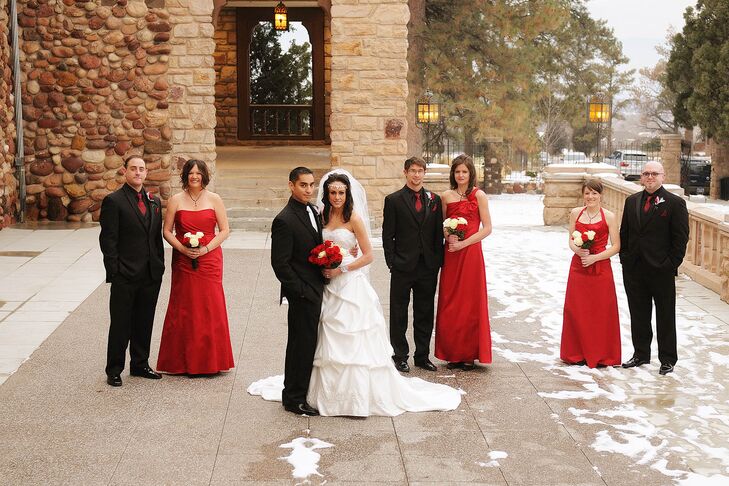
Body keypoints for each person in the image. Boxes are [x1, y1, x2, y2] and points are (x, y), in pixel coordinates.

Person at [249, 169, 461, 416]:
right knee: (316, 340)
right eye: (332, 192)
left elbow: (369, 254)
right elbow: (308, 249)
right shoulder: (319, 214)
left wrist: (343, 268)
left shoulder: (353, 218)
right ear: (325, 195)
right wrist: (324, 265)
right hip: (323, 287)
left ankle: (354, 396)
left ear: (347, 194)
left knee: (352, 338)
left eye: (341, 192)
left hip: (349, 284)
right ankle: (308, 392)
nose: (337, 196)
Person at [156, 159, 234, 375]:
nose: (194, 176)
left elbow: (225, 230)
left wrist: (206, 249)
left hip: (209, 259)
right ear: (185, 176)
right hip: (183, 260)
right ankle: (180, 362)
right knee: (184, 306)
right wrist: (182, 248)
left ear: (204, 176)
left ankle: (211, 361)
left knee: (210, 305)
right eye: (191, 173)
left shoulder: (214, 199)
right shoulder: (175, 200)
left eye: (199, 173)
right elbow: (167, 231)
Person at [99, 156, 165, 387]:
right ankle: (114, 369)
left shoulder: (154, 201)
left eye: (141, 169)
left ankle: (140, 364)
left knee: (144, 321)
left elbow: (156, 238)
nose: (138, 173)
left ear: (146, 173)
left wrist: (159, 266)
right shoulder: (113, 201)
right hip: (125, 275)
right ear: (124, 171)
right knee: (120, 324)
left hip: (150, 274)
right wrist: (115, 271)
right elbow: (108, 240)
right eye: (133, 169)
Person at [620, 161, 689, 375]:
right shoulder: (631, 202)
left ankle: (667, 359)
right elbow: (626, 233)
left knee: (665, 316)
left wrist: (670, 265)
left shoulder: (674, 203)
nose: (650, 177)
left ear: (663, 176)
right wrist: (625, 260)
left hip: (662, 270)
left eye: (654, 173)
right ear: (641, 177)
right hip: (635, 269)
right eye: (646, 173)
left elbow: (681, 239)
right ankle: (640, 354)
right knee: (639, 314)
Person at [270, 167, 324, 416]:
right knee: (300, 346)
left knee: (307, 343)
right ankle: (293, 398)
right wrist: (302, 291)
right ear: (291, 185)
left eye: (312, 185)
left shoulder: (313, 210)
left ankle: (298, 391)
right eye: (303, 185)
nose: (309, 190)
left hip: (316, 288)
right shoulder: (284, 219)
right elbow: (280, 264)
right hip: (302, 294)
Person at [382, 157, 444, 373]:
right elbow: (387, 235)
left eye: (420, 171)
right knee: (398, 312)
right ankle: (400, 356)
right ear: (405, 172)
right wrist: (392, 262)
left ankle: (422, 356)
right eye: (413, 171)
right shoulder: (393, 200)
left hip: (427, 266)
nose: (417, 175)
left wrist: (437, 262)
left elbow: (437, 235)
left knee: (424, 312)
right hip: (402, 265)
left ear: (424, 173)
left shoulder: (434, 200)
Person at [435, 155, 492, 370]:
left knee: (469, 301)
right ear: (453, 174)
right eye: (457, 172)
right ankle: (452, 352)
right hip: (451, 253)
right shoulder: (446, 196)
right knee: (450, 300)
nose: (461, 175)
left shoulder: (479, 195)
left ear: (471, 174)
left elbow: (487, 228)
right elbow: (440, 225)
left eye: (464, 172)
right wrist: (448, 236)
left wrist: (464, 243)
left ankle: (468, 353)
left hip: (470, 254)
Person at [561, 178, 621, 368]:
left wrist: (596, 258)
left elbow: (617, 246)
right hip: (578, 268)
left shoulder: (609, 216)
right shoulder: (576, 213)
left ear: (601, 195)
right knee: (577, 309)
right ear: (583, 195)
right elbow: (571, 239)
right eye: (587, 193)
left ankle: (601, 355)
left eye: (594, 193)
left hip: (600, 268)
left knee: (600, 311)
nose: (590, 197)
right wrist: (577, 250)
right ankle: (576, 353)